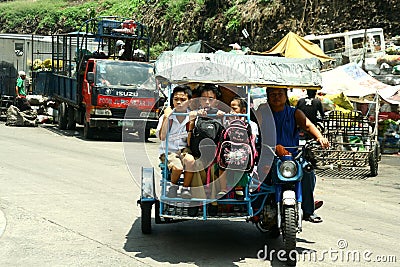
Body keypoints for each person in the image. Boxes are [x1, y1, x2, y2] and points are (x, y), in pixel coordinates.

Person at [257, 87, 329, 223]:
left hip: (292, 155)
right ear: (267, 96)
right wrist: (273, 146)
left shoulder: (295, 113)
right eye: (272, 94)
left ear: (286, 96)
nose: (276, 97)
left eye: (280, 94)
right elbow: (257, 128)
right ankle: (258, 208)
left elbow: (308, 125)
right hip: (267, 154)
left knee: (307, 170)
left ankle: (308, 210)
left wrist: (320, 137)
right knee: (261, 175)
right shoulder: (263, 112)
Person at [156, 85, 195, 199]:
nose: (179, 102)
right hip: (168, 151)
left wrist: (192, 123)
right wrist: (166, 117)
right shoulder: (167, 115)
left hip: (184, 149)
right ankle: (173, 187)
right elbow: (162, 137)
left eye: (183, 100)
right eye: (176, 99)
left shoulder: (191, 116)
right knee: (177, 167)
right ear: (172, 100)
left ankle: (185, 188)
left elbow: (189, 141)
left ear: (189, 101)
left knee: (190, 160)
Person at [217, 97, 259, 197]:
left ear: (243, 111)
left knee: (242, 163)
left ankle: (239, 188)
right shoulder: (226, 122)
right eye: (230, 109)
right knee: (221, 164)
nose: (231, 112)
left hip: (242, 157)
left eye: (234, 109)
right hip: (228, 155)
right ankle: (223, 189)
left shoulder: (251, 125)